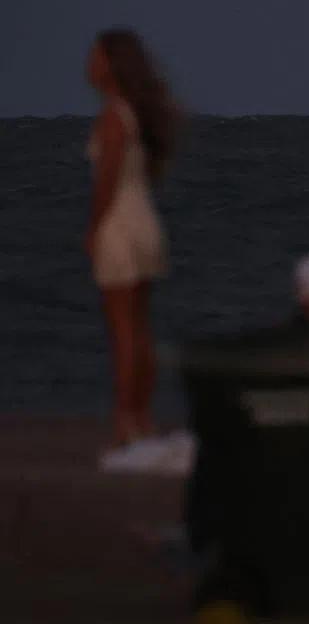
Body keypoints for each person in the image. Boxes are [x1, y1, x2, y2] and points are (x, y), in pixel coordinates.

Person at [86, 29, 179, 454]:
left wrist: (92, 228)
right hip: (145, 222)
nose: (88, 64)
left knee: (122, 330)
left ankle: (127, 419)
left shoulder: (113, 115)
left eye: (96, 57)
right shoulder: (136, 114)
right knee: (139, 328)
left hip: (120, 225)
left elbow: (105, 182)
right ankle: (140, 416)